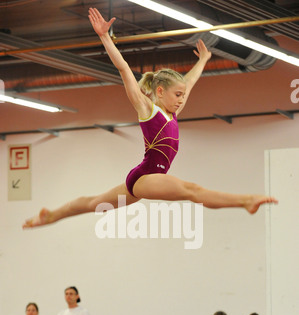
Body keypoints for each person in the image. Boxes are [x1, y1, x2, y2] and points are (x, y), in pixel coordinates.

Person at [22, 7, 278, 230]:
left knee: (94, 203)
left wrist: (204, 60)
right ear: (159, 91)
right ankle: (246, 201)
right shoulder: (148, 109)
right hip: (147, 178)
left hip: (142, 178)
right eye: (176, 94)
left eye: (182, 95)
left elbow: (189, 82)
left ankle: (52, 215)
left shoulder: (172, 112)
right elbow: (123, 68)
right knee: (192, 191)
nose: (181, 98)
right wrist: (104, 37)